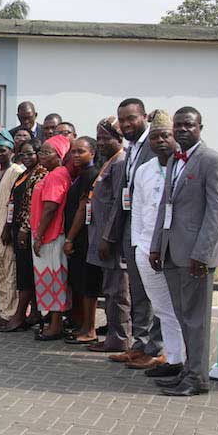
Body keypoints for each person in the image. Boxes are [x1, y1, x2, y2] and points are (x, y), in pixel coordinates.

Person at [150, 107, 218, 396]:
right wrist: (157, 245)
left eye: (188, 125)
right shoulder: (174, 160)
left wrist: (202, 253)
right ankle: (188, 370)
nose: (182, 130)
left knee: (196, 321)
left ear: (200, 128)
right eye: (178, 126)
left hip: (195, 257)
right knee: (183, 318)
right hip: (172, 252)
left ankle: (198, 379)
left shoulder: (212, 161)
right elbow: (165, 206)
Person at [107, 97, 163, 366]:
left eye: (132, 118)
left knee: (154, 291)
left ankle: (158, 349)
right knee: (137, 289)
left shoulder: (153, 146)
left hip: (150, 227)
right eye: (123, 119)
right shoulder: (131, 147)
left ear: (144, 117)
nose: (127, 123)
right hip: (133, 225)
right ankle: (141, 343)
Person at [128, 113, 185, 376]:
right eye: (155, 136)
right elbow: (137, 211)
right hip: (146, 250)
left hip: (176, 251)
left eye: (165, 135)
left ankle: (183, 359)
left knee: (181, 307)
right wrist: (138, 246)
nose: (160, 140)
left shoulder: (185, 165)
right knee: (161, 307)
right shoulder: (144, 170)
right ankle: (172, 359)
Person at [86, 118, 131, 354]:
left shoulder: (121, 162)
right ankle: (114, 333)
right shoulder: (108, 162)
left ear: (119, 139)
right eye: (99, 137)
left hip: (112, 240)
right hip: (102, 237)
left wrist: (108, 237)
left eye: (106, 138)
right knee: (111, 290)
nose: (101, 142)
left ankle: (119, 338)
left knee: (118, 291)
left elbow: (118, 204)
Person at [0, 140, 46, 332]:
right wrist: (8, 225)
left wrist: (24, 229)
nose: (26, 158)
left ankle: (19, 315)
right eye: (22, 155)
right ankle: (34, 313)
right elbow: (13, 201)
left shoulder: (41, 174)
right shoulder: (24, 173)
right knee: (23, 270)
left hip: (28, 230)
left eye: (30, 154)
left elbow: (33, 206)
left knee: (25, 273)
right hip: (16, 226)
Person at [30, 136, 73, 340]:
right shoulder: (51, 174)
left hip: (50, 236)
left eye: (47, 152)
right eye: (42, 151)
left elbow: (50, 207)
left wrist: (39, 236)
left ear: (60, 155)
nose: (42, 155)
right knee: (49, 279)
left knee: (54, 280)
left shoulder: (57, 175)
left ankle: (56, 325)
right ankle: (53, 321)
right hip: (46, 235)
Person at [62, 136, 101, 344]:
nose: (75, 155)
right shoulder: (80, 174)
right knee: (79, 282)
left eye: (81, 152)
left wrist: (69, 238)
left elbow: (83, 208)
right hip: (77, 238)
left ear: (92, 153)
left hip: (84, 237)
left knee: (88, 285)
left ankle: (89, 328)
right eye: (73, 151)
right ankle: (80, 323)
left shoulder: (91, 175)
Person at [0, 132, 24, 323]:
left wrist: (8, 228)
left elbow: (15, 203)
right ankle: (3, 310)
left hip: (6, 227)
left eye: (2, 150)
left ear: (12, 151)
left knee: (10, 269)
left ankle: (11, 312)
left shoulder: (16, 171)